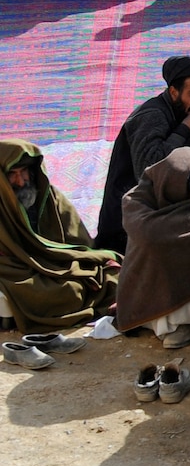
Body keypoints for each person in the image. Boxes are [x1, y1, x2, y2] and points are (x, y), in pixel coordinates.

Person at [115, 147, 190, 351]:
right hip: (156, 284)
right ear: (175, 186)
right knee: (160, 254)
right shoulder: (137, 203)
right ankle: (173, 324)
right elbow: (150, 236)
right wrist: (176, 241)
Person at [100, 56, 190, 253]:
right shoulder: (151, 115)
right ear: (174, 91)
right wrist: (183, 130)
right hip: (131, 224)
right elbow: (147, 170)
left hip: (169, 209)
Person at [0, 136, 116, 334]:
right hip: (17, 270)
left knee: (112, 275)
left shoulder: (49, 197)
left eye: (24, 172)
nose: (21, 181)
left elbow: (77, 242)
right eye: (13, 175)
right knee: (54, 292)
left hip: (56, 263)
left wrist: (74, 264)